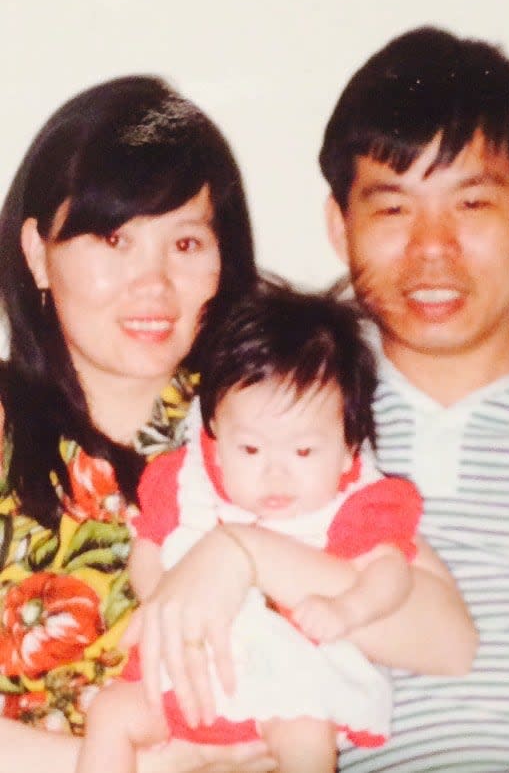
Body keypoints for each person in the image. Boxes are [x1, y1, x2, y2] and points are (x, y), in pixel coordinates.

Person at [318, 26, 509, 772]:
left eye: (471, 204)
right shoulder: (267, 417)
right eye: (393, 208)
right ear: (340, 226)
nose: (433, 248)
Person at [0, 74, 282, 773]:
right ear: (38, 253)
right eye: (113, 239)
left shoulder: (276, 422)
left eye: (184, 245)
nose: (152, 285)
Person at [78, 283, 429, 773]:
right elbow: (149, 549)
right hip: (188, 678)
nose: (275, 473)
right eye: (250, 450)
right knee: (111, 714)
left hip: (290, 679)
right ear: (215, 438)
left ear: (350, 448)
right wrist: (162, 598)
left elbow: (390, 572)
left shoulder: (356, 504)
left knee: (307, 735)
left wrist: (348, 609)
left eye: (304, 451)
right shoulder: (185, 485)